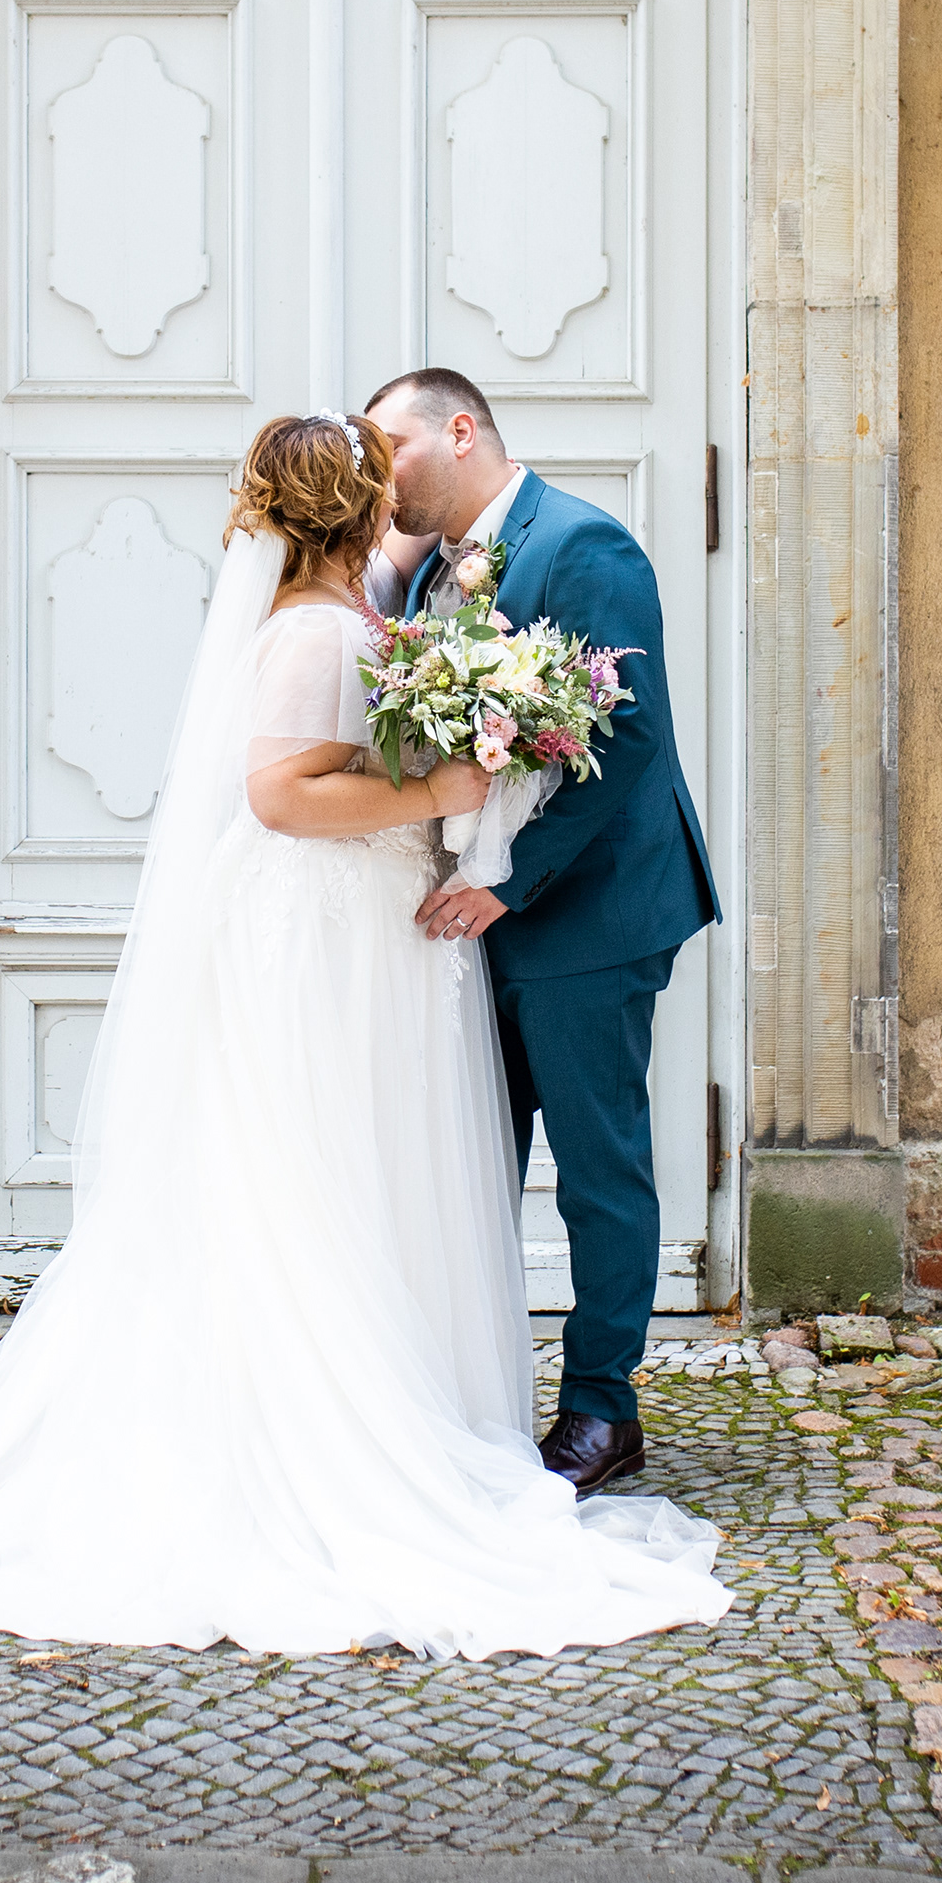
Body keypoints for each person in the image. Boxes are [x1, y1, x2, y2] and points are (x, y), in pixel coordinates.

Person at [0, 412, 729, 1658]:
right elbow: (280, 790)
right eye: (376, 479)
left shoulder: (492, 570)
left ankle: (560, 1407)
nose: (395, 494)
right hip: (344, 925)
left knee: (474, 1165)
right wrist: (444, 792)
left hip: (488, 923)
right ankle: (352, 1418)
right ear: (349, 512)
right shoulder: (319, 628)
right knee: (329, 1173)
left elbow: (617, 744)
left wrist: (478, 823)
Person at [362, 369, 722, 1499]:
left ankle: (602, 1413)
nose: (381, 473)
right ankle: (479, 1397)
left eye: (393, 448)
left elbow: (630, 743)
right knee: (472, 1163)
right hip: (476, 922)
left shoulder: (585, 544)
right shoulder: (424, 569)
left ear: (459, 429)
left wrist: (509, 888)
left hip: (590, 914)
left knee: (597, 1171)